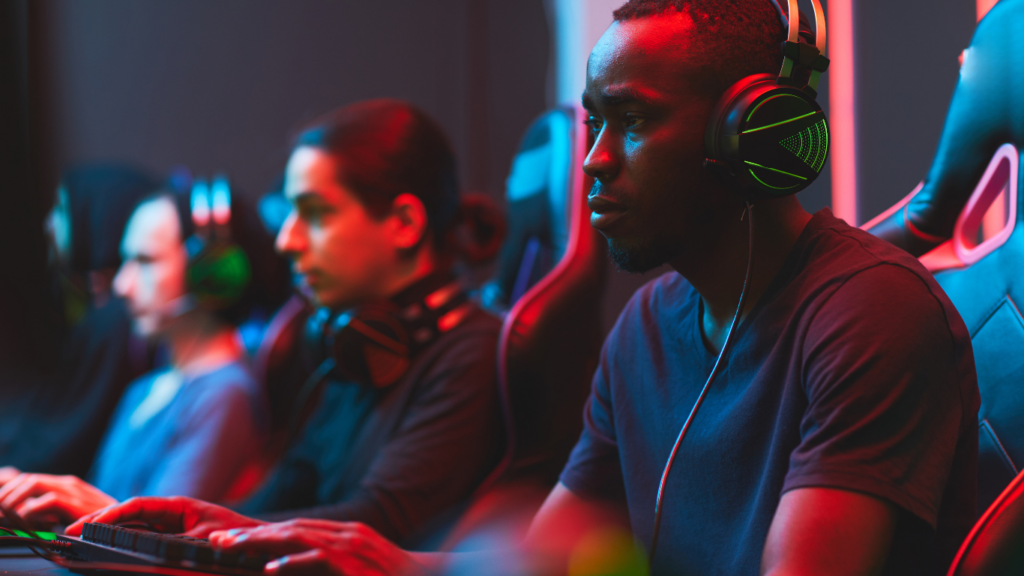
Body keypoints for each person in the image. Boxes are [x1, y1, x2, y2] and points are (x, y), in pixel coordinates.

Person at [74, 2, 982, 575]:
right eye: (593, 124)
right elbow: (546, 559)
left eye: (631, 124)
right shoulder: (648, 328)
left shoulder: (869, 314)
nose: (595, 162)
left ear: (756, 134)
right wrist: (359, 556)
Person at [72, 99, 506, 547]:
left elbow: (376, 524)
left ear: (403, 222)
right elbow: (273, 503)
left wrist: (124, 523)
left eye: (314, 214)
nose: (286, 240)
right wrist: (123, 522)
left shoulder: (470, 353)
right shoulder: (359, 350)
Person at [0, 182, 280, 524]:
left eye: (145, 261)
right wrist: (33, 499)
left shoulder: (224, 393)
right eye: (124, 261)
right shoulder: (146, 387)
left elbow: (161, 540)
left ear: (211, 273)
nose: (122, 285)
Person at [0, 165, 158, 479]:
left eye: (60, 209)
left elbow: (60, 444)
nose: (48, 224)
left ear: (95, 216)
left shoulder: (116, 324)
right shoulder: (100, 315)